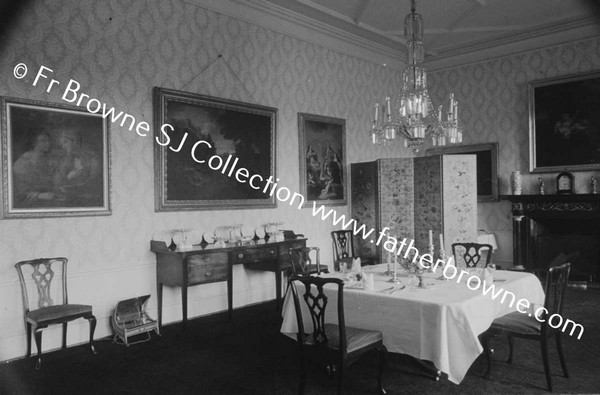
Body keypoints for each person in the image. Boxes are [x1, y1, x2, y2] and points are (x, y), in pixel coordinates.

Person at [12, 131, 58, 207]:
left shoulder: (50, 161)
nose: (48, 143)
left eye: (48, 141)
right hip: (29, 204)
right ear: (33, 142)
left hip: (50, 200)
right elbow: (19, 190)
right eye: (43, 141)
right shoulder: (21, 163)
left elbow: (53, 182)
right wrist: (39, 195)